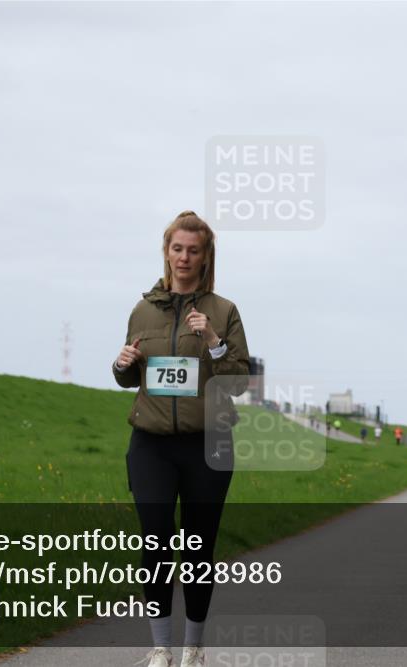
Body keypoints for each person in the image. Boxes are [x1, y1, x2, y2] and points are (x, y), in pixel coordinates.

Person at [113, 211, 251, 667]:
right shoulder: (143, 309)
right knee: (155, 544)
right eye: (178, 248)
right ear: (166, 251)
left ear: (206, 256)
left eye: (194, 250)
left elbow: (238, 381)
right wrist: (122, 364)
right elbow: (132, 378)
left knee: (197, 548)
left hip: (207, 444)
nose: (184, 257)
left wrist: (213, 341)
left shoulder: (224, 311)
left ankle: (193, 647)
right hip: (151, 444)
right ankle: (160, 648)